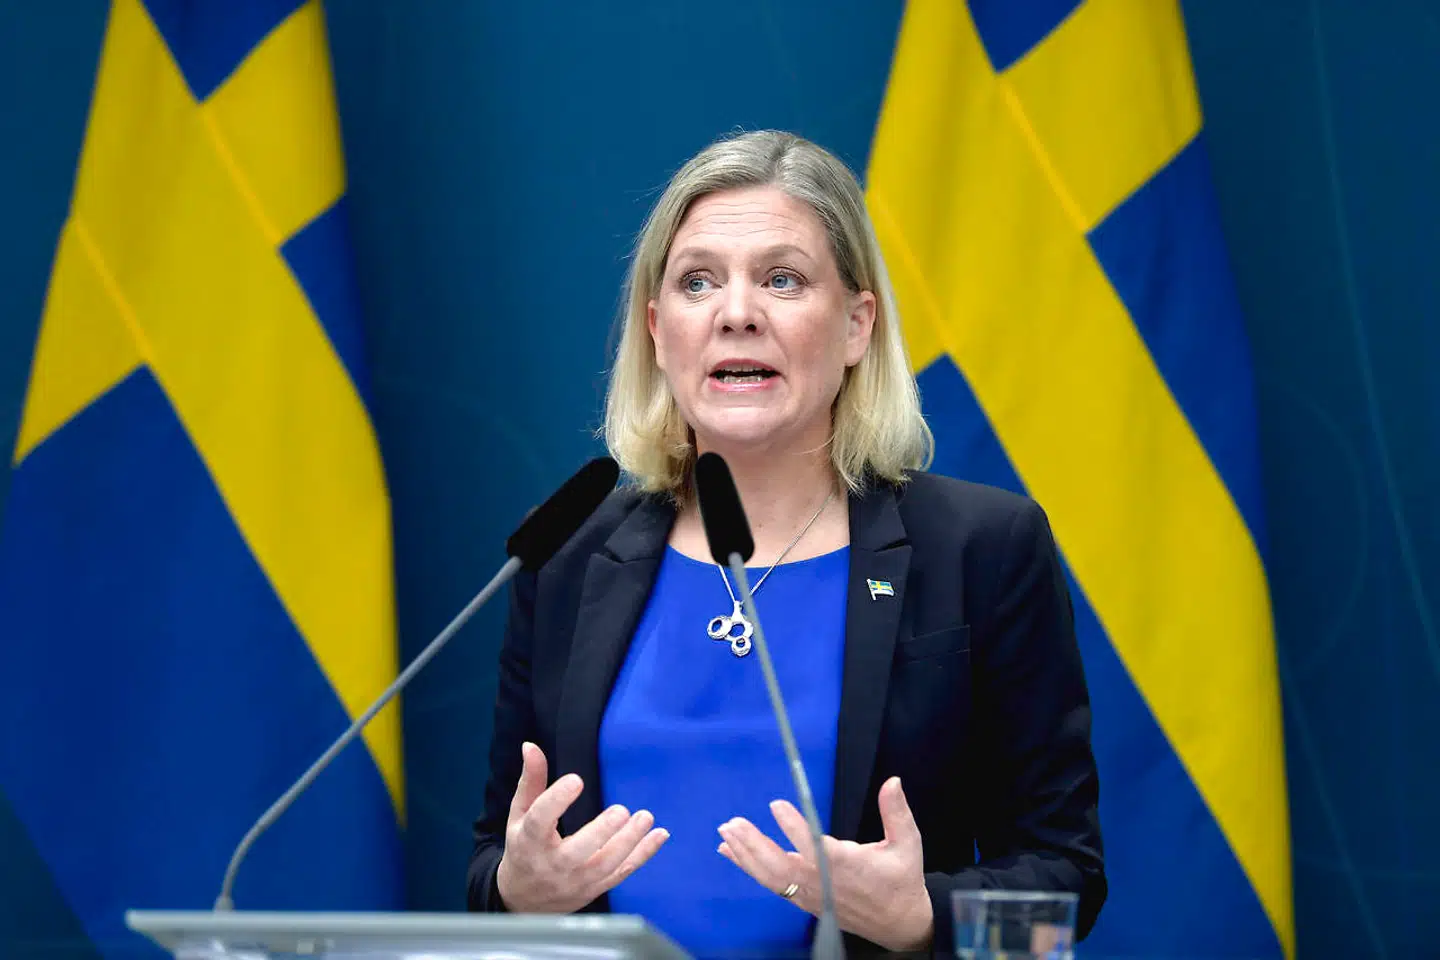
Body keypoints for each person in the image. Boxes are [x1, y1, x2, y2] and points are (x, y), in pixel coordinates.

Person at [466, 129, 1105, 957]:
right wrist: (517, 894)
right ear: (658, 330)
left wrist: (924, 921)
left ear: (856, 326)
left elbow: (1064, 904)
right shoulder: (568, 556)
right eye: (698, 282)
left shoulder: (981, 548)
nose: (736, 313)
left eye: (782, 279)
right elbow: (490, 869)